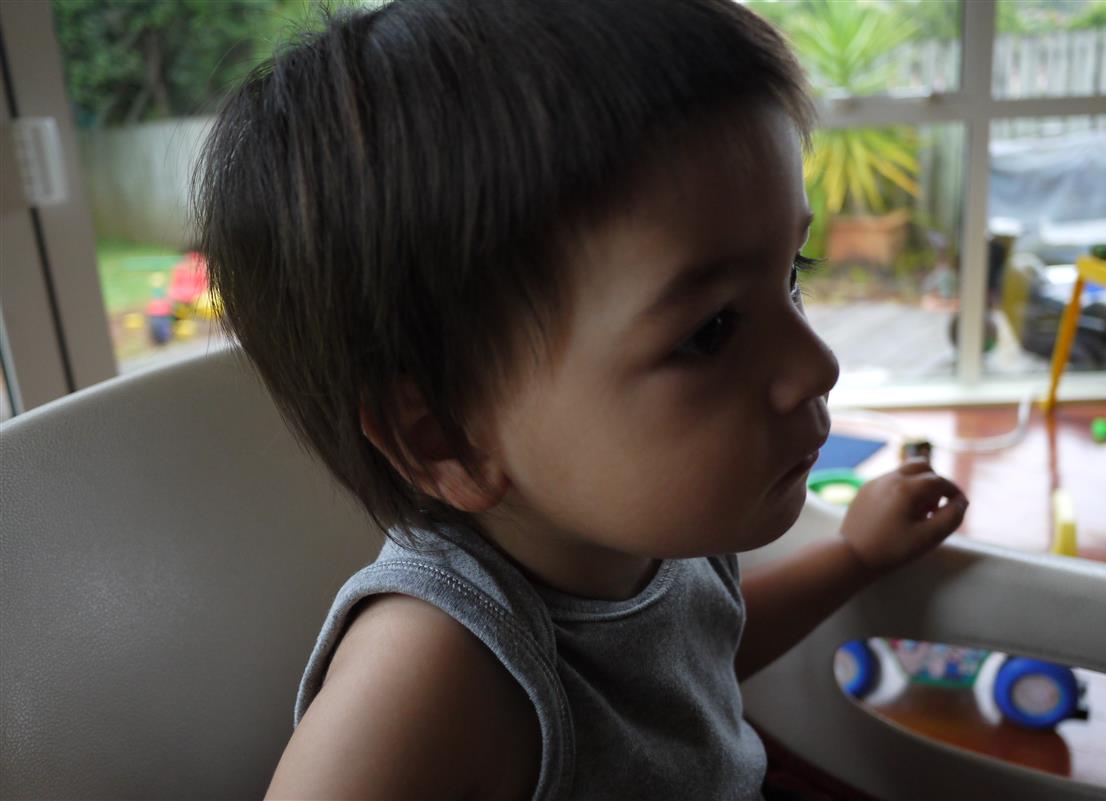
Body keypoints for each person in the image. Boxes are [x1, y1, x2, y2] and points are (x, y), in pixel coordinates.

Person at [194, 1, 969, 798]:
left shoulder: (657, 524)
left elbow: (693, 665)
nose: (817, 365)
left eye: (793, 273)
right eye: (710, 331)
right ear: (446, 438)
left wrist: (852, 559)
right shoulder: (433, 667)